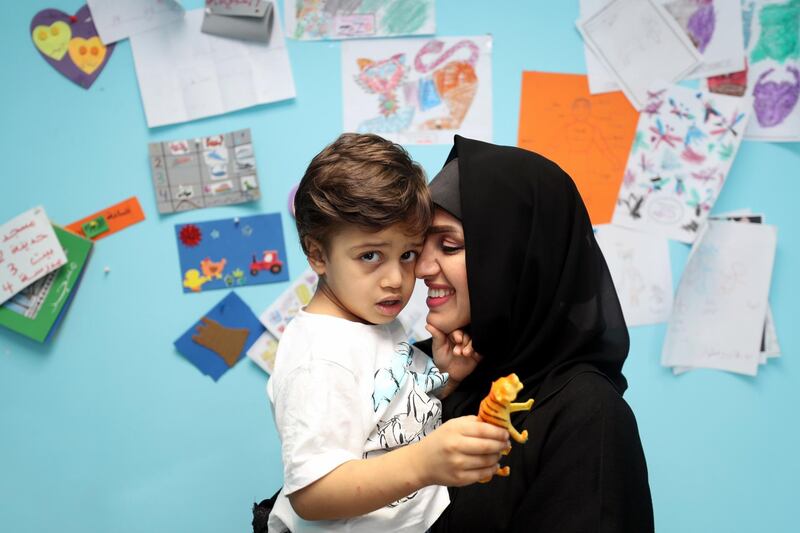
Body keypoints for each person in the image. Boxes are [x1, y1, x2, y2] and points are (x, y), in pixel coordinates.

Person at [265, 133, 510, 533]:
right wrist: (424, 464)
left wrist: (442, 380)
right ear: (317, 254)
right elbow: (311, 494)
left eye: (407, 254)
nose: (396, 279)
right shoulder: (319, 359)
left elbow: (385, 418)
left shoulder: (370, 320)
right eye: (370, 256)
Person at [416, 135, 655, 532]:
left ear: (517, 258)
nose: (422, 267)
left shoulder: (586, 414)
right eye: (417, 244)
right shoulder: (428, 373)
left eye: (449, 245)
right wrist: (439, 389)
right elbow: (320, 492)